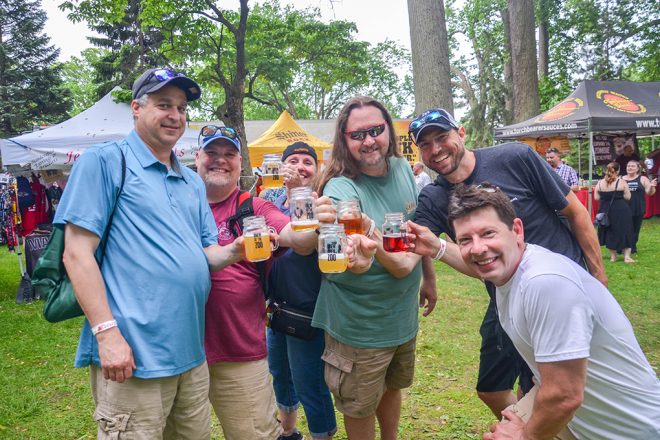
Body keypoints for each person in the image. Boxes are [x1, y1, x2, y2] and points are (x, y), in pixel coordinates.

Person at [56, 67, 246, 439]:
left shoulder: (191, 180)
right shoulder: (107, 162)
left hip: (191, 355)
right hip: (134, 355)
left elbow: (206, 253)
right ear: (136, 109)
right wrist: (107, 335)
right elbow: (76, 254)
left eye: (181, 107)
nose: (175, 115)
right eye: (163, 105)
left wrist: (236, 250)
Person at [407, 108, 607, 418]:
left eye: (442, 137)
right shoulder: (434, 198)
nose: (435, 150)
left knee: (560, 386)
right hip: (506, 297)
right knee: (492, 388)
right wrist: (427, 270)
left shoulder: (514, 157)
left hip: (562, 291)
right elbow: (414, 243)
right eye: (426, 144)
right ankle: (529, 427)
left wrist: (598, 279)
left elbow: (575, 212)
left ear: (461, 133)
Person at [438, 183, 660, 439]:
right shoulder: (507, 276)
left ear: (517, 231)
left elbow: (563, 396)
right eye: (466, 240)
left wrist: (524, 435)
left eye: (488, 233)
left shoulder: (544, 282)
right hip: (580, 415)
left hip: (627, 431)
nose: (477, 248)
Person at [195, 128, 341, 440]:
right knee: (283, 381)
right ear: (197, 158)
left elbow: (297, 238)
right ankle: (289, 431)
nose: (220, 161)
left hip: (289, 320)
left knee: (308, 384)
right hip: (188, 348)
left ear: (239, 162)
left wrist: (314, 217)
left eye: (229, 155)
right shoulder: (180, 202)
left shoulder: (259, 206)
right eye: (212, 153)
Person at [314, 96, 431, 440]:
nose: (368, 140)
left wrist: (429, 278)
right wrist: (361, 256)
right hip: (360, 326)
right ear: (344, 140)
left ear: (389, 132)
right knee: (360, 405)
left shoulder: (400, 169)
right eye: (357, 134)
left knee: (393, 387)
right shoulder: (340, 189)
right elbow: (350, 248)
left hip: (402, 316)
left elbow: (415, 230)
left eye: (375, 130)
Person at [267, 142, 338, 440]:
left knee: (309, 383)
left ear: (317, 169)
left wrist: (299, 193)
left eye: (307, 161)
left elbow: (305, 239)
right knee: (281, 375)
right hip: (275, 308)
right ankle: (288, 431)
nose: (299, 166)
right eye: (292, 160)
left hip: (308, 309)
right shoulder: (269, 200)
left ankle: (322, 434)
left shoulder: (323, 202)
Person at [594, 162, 634, 263]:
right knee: (625, 231)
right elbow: (628, 197)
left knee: (609, 232)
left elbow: (596, 197)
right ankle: (627, 257)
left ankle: (613, 256)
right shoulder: (622, 182)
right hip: (621, 210)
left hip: (605, 211)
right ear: (618, 171)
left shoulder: (599, 183)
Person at [622, 160, 657, 254]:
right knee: (624, 228)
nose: (630, 168)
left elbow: (650, 193)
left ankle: (632, 247)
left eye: (632, 166)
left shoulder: (643, 179)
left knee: (635, 230)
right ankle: (622, 247)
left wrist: (652, 186)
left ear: (638, 168)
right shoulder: (621, 179)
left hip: (638, 208)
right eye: (628, 166)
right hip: (623, 208)